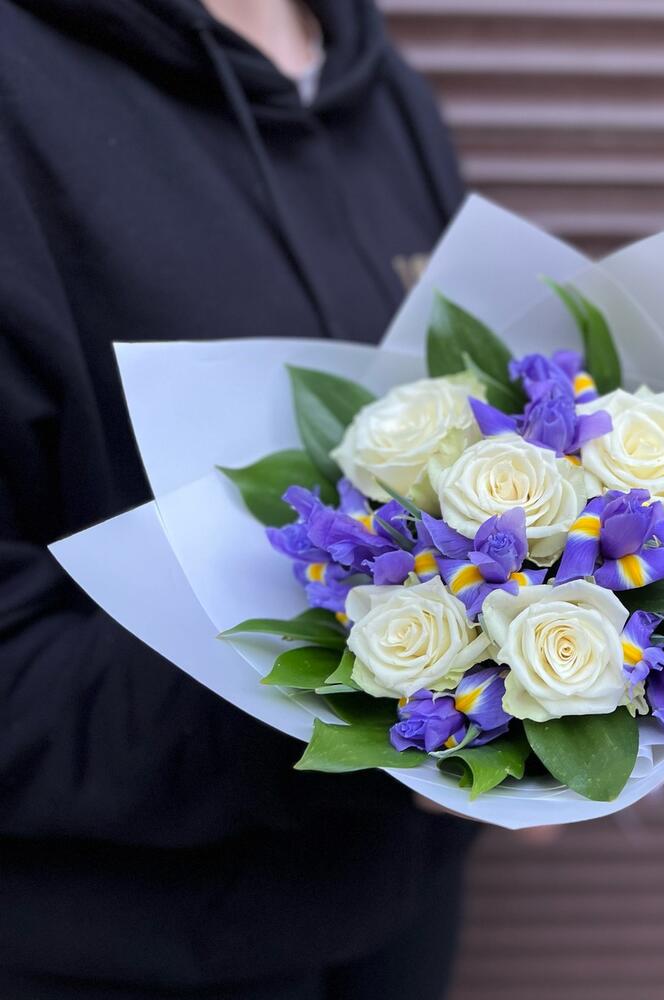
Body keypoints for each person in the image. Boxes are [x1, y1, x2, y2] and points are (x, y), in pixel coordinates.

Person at [0, 1, 482, 996]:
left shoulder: (381, 86)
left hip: (400, 917)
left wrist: (580, 684)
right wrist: (390, 714)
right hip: (114, 954)